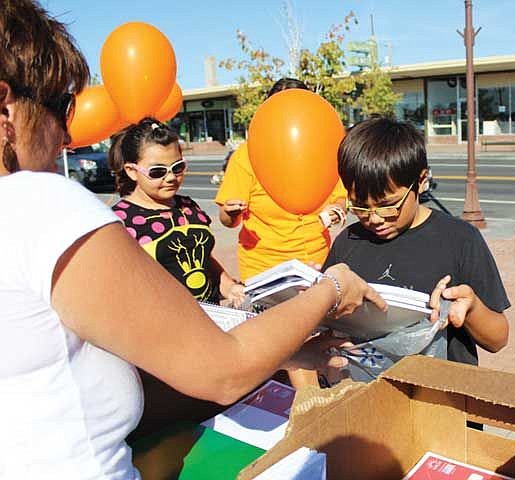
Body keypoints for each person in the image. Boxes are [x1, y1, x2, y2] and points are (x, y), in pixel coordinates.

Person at [0, 2, 386, 478]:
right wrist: (332, 288)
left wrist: (277, 352)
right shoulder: (37, 203)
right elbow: (222, 369)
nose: (66, 135)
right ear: (5, 108)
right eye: (62, 108)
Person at [323, 117, 510, 380]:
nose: (375, 218)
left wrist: (472, 309)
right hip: (366, 399)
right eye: (360, 206)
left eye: (388, 205)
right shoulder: (348, 242)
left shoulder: (461, 240)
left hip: (443, 403)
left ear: (421, 181)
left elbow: (498, 338)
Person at [215, 78, 347, 283]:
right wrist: (231, 213)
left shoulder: (326, 150)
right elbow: (227, 220)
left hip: (316, 263)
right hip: (264, 269)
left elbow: (340, 197)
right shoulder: (246, 155)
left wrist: (337, 210)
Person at [109, 117, 244, 308]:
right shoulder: (119, 222)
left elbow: (203, 259)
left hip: (209, 321)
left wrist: (229, 287)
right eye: (158, 172)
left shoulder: (188, 206)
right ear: (131, 171)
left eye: (178, 167)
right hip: (160, 328)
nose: (171, 177)